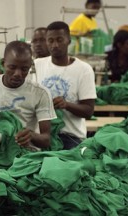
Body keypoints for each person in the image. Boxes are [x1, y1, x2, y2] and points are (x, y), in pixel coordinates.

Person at [34, 21, 97, 150]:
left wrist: (66, 104)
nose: (55, 45)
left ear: (69, 40)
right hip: (43, 137)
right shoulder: (37, 65)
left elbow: (89, 111)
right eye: (50, 41)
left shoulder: (83, 69)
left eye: (59, 40)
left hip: (71, 137)